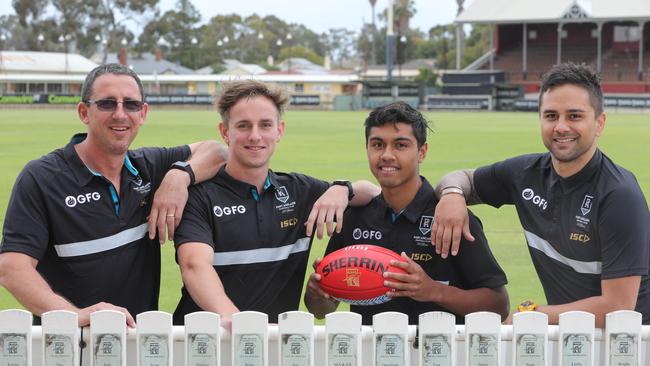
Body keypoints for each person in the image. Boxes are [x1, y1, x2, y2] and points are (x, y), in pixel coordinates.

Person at [0, 63, 228, 327]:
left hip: (136, 344)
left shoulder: (149, 166)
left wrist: (180, 176)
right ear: (84, 112)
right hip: (71, 346)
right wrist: (75, 316)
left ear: (143, 113)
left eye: (130, 105)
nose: (120, 114)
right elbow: (12, 268)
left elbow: (218, 151)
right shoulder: (42, 177)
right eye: (107, 104)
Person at [431, 63, 650, 327]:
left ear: (599, 122)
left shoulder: (618, 194)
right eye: (550, 116)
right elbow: (461, 178)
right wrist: (453, 195)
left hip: (630, 345)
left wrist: (532, 314)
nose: (561, 127)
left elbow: (617, 306)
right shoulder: (524, 173)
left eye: (574, 116)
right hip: (574, 342)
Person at [172, 80, 381, 326]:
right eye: (243, 125)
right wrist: (234, 319)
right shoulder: (199, 196)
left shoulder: (300, 191)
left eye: (265, 125)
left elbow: (374, 192)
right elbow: (194, 264)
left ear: (279, 130)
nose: (255, 135)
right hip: (206, 343)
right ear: (225, 131)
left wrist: (343, 189)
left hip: (274, 346)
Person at [304, 101, 509, 325]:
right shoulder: (354, 217)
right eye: (377, 144)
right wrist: (317, 294)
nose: (387, 155)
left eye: (400, 145)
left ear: (422, 152)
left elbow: (499, 305)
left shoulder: (451, 217)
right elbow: (322, 310)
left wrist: (433, 290)